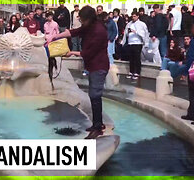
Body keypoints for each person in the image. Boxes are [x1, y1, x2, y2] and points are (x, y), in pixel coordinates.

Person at [48, 6, 109, 139]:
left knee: (95, 95)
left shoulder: (99, 30)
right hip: (93, 66)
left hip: (99, 66)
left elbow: (89, 52)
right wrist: (55, 36)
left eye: (82, 19)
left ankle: (98, 128)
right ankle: (98, 124)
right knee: (94, 96)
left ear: (88, 18)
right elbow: (75, 32)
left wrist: (71, 53)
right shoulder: (90, 26)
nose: (81, 22)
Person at [122, 12, 148, 80]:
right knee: (131, 58)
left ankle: (137, 72)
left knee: (137, 58)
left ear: (137, 16)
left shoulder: (141, 24)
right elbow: (125, 33)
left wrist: (135, 32)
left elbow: (144, 33)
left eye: (134, 16)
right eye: (132, 16)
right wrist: (123, 41)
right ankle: (131, 71)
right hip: (131, 42)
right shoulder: (129, 24)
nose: (133, 18)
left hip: (138, 43)